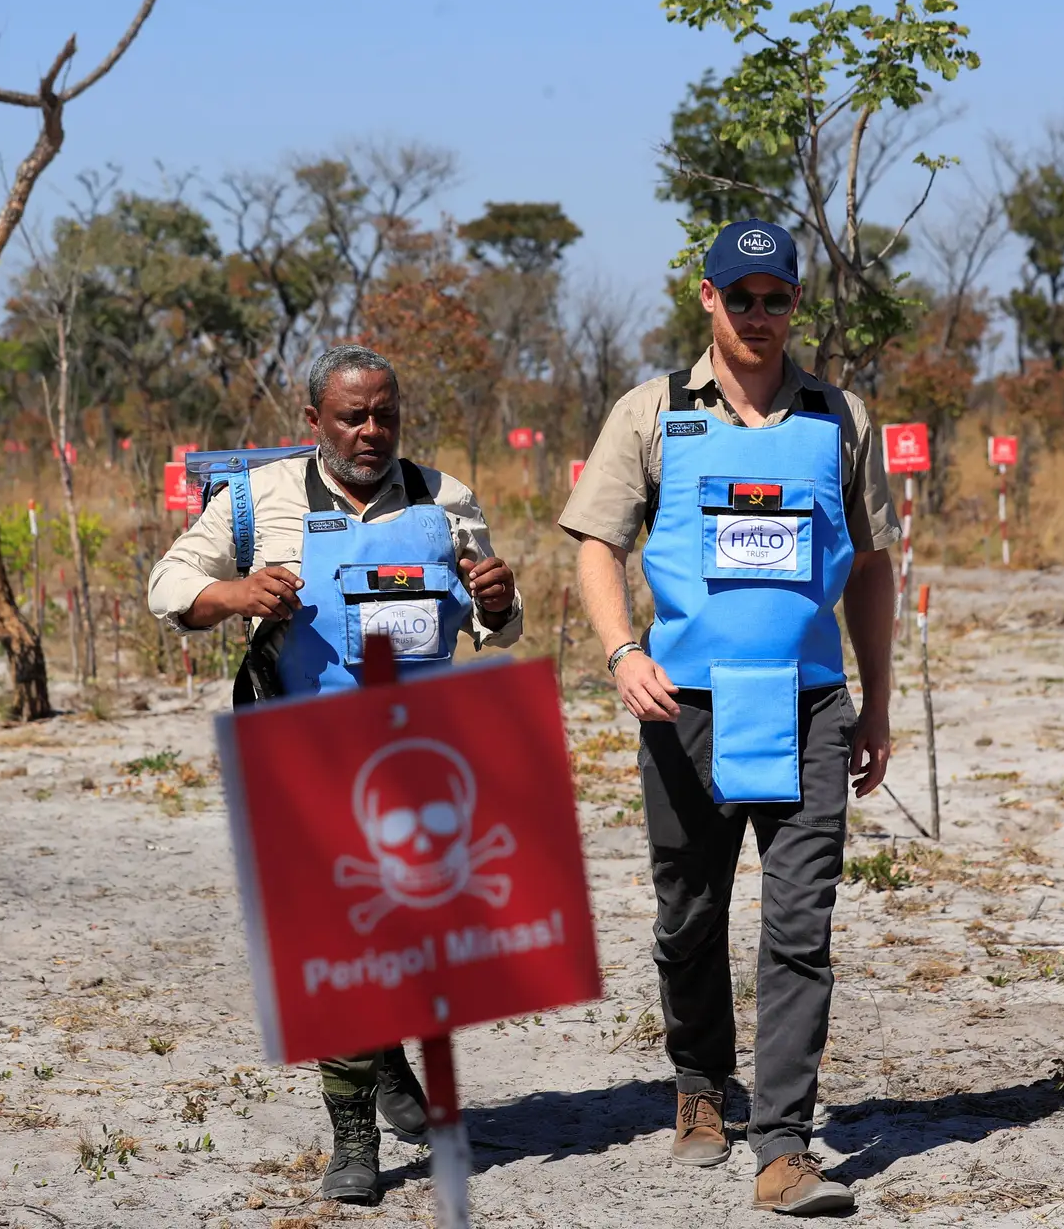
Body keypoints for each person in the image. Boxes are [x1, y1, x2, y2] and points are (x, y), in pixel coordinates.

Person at [557, 220, 897, 1215]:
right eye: (739, 295)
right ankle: (701, 1087)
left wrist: (875, 699)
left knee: (800, 922)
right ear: (706, 298)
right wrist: (623, 652)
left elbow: (869, 567)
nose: (758, 313)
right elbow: (593, 541)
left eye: (775, 296)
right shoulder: (652, 410)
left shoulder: (842, 417)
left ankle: (785, 1144)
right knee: (690, 913)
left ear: (796, 303)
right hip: (685, 707)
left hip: (809, 707)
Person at [148, 342, 523, 1205]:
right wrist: (236, 595)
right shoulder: (258, 499)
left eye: (384, 414)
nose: (370, 430)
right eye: (351, 416)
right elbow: (170, 585)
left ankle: (385, 1063)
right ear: (312, 420)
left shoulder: (444, 497)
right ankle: (352, 1135)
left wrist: (498, 602)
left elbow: (491, 620)